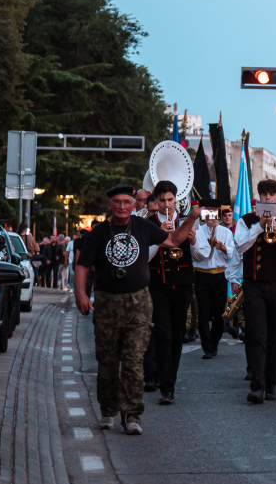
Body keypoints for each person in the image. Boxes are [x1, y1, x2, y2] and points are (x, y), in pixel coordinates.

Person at [73, 184, 199, 435]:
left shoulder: (143, 227)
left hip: (139, 303)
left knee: (134, 362)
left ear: (134, 205)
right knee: (107, 362)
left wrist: (192, 219)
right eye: (117, 202)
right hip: (107, 303)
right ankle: (108, 410)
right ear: (110, 204)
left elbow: (173, 240)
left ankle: (132, 415)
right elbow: (82, 265)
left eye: (126, 202)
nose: (122, 206)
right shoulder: (98, 233)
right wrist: (81, 294)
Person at [227, 179, 276, 404]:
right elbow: (240, 246)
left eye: (273, 195)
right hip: (255, 284)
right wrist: (260, 226)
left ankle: (272, 383)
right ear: (259, 197)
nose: (269, 199)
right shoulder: (246, 221)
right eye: (265, 195)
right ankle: (258, 385)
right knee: (256, 334)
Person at [142, 181, 199, 405]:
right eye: (162, 200)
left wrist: (193, 241)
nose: (167, 204)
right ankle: (166, 388)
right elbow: (144, 257)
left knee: (177, 336)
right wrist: (160, 238)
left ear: (177, 200)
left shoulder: (186, 221)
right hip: (157, 285)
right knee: (163, 334)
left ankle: (170, 381)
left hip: (182, 284)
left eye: (170, 200)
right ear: (156, 201)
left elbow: (202, 257)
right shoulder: (147, 224)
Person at [192, 206, 236, 359]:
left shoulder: (226, 232)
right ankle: (206, 347)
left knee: (219, 313)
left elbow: (233, 253)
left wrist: (222, 247)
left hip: (219, 275)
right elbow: (195, 254)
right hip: (202, 274)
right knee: (203, 312)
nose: (212, 218)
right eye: (208, 214)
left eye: (214, 215)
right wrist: (207, 247)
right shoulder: (198, 231)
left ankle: (214, 342)